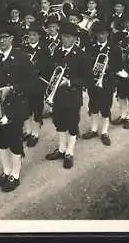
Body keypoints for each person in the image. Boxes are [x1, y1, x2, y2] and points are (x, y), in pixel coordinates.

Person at [0, 24, 35, 192]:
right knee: (0, 139)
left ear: (12, 38)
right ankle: (6, 171)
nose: (2, 41)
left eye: (5, 37)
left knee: (14, 139)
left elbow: (32, 83)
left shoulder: (22, 57)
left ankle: (15, 174)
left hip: (14, 105)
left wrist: (12, 88)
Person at [44, 23, 88, 169]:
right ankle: (62, 149)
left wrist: (70, 82)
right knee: (59, 122)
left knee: (72, 124)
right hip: (58, 96)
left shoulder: (81, 55)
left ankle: (70, 152)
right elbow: (51, 71)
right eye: (63, 36)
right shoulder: (57, 51)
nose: (65, 39)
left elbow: (87, 78)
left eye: (68, 37)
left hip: (72, 95)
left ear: (75, 38)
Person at [82, 22, 123, 146]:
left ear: (107, 34)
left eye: (103, 34)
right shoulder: (90, 47)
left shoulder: (114, 48)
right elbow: (85, 64)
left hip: (107, 82)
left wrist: (109, 67)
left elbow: (119, 66)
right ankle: (94, 129)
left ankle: (104, 132)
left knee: (105, 108)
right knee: (93, 105)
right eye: (98, 34)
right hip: (93, 82)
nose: (100, 36)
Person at [19, 20, 50, 147]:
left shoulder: (44, 49)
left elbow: (48, 66)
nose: (31, 37)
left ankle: (35, 133)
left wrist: (37, 68)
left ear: (39, 36)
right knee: (25, 109)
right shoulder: (23, 48)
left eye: (34, 35)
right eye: (30, 35)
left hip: (38, 83)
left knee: (36, 109)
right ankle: (27, 131)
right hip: (25, 83)